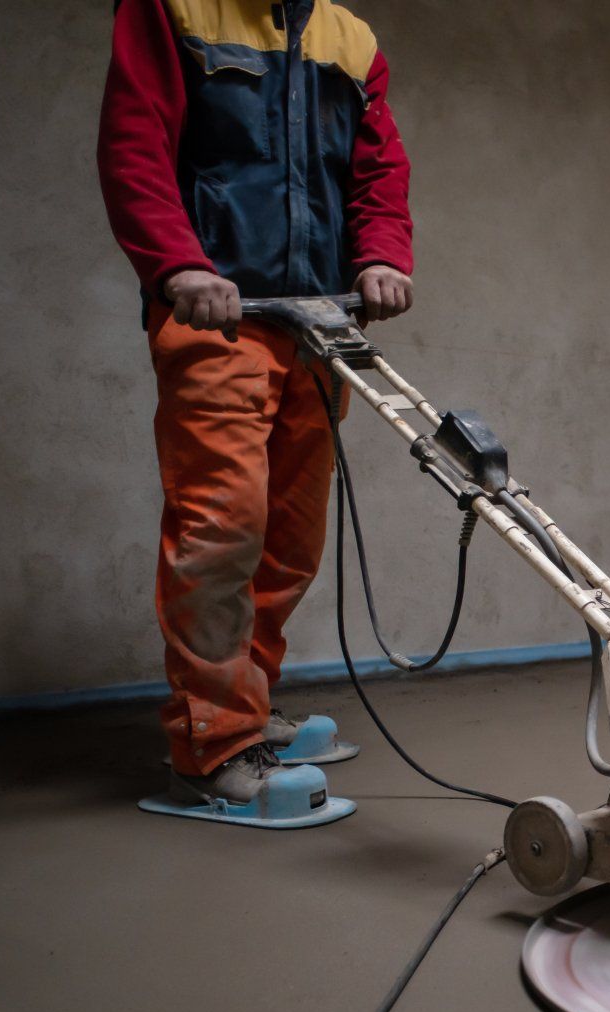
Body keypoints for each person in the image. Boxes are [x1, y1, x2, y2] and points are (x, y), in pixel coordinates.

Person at [96, 0, 412, 811]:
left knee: (289, 540)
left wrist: (381, 254)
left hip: (319, 323)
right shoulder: (175, 7)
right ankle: (211, 747)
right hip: (219, 317)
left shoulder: (350, 38)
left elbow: (378, 170)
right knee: (223, 528)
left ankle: (249, 706)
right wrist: (177, 265)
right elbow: (135, 144)